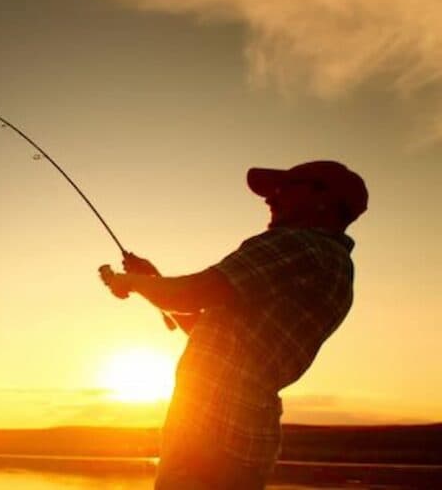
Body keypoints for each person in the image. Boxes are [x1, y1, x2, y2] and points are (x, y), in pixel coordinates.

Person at [99, 160, 368, 489]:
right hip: (244, 436)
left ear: (321, 199)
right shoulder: (336, 269)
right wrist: (152, 280)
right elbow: (210, 330)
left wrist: (130, 282)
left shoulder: (299, 245)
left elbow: (194, 292)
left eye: (284, 189)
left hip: (211, 432)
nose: (270, 199)